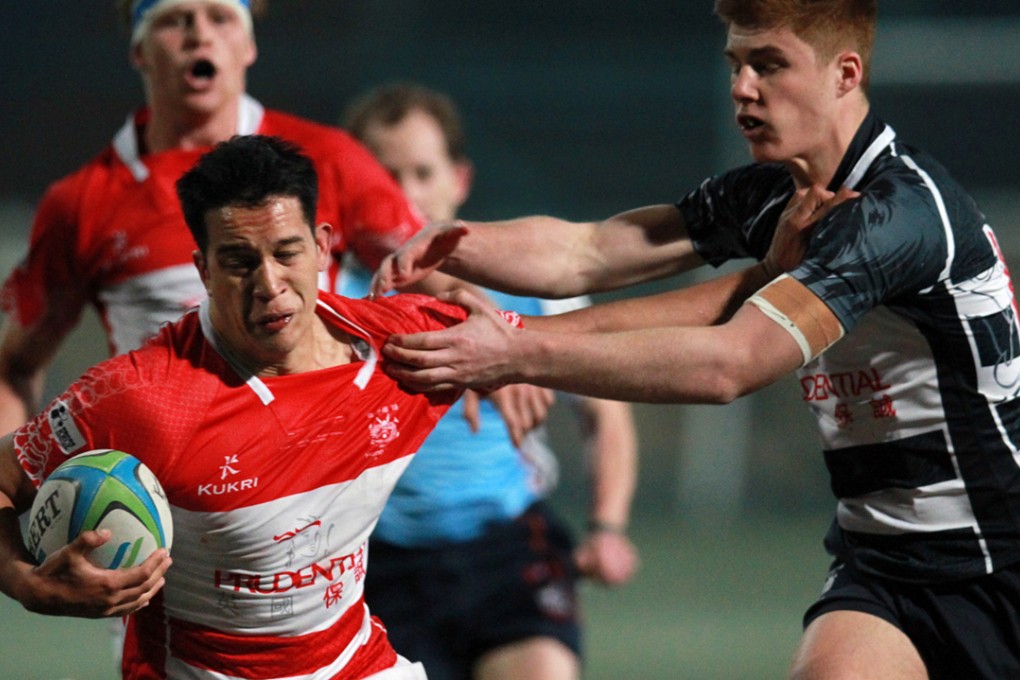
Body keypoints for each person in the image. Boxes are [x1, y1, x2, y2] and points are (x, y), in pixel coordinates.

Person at [369, 2, 1020, 679]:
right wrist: (452, 241)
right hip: (883, 568)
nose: (743, 87)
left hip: (998, 562)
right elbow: (589, 251)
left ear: (845, 74)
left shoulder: (896, 216)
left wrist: (516, 350)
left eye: (769, 66)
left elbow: (728, 363)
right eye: (736, 64)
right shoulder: (777, 195)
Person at [0, 134, 530, 679]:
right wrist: (23, 582)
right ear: (203, 270)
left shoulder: (398, 348)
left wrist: (520, 356)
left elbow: (577, 303)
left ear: (322, 247)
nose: (269, 284)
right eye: (238, 262)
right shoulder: (145, 398)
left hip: (361, 665)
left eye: (286, 252)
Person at [0, 0, 466, 440]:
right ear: (140, 50)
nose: (199, 35)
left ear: (248, 47)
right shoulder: (82, 202)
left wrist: (503, 352)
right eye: (176, 19)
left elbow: (440, 276)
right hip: (165, 499)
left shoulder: (330, 158)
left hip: (312, 483)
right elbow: (14, 366)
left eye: (220, 18)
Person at [341, 83, 639, 680]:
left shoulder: (531, 288)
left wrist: (606, 526)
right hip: (372, 562)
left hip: (507, 548)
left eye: (423, 172)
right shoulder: (330, 299)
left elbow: (605, 414)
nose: (406, 192)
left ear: (460, 180)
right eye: (385, 174)